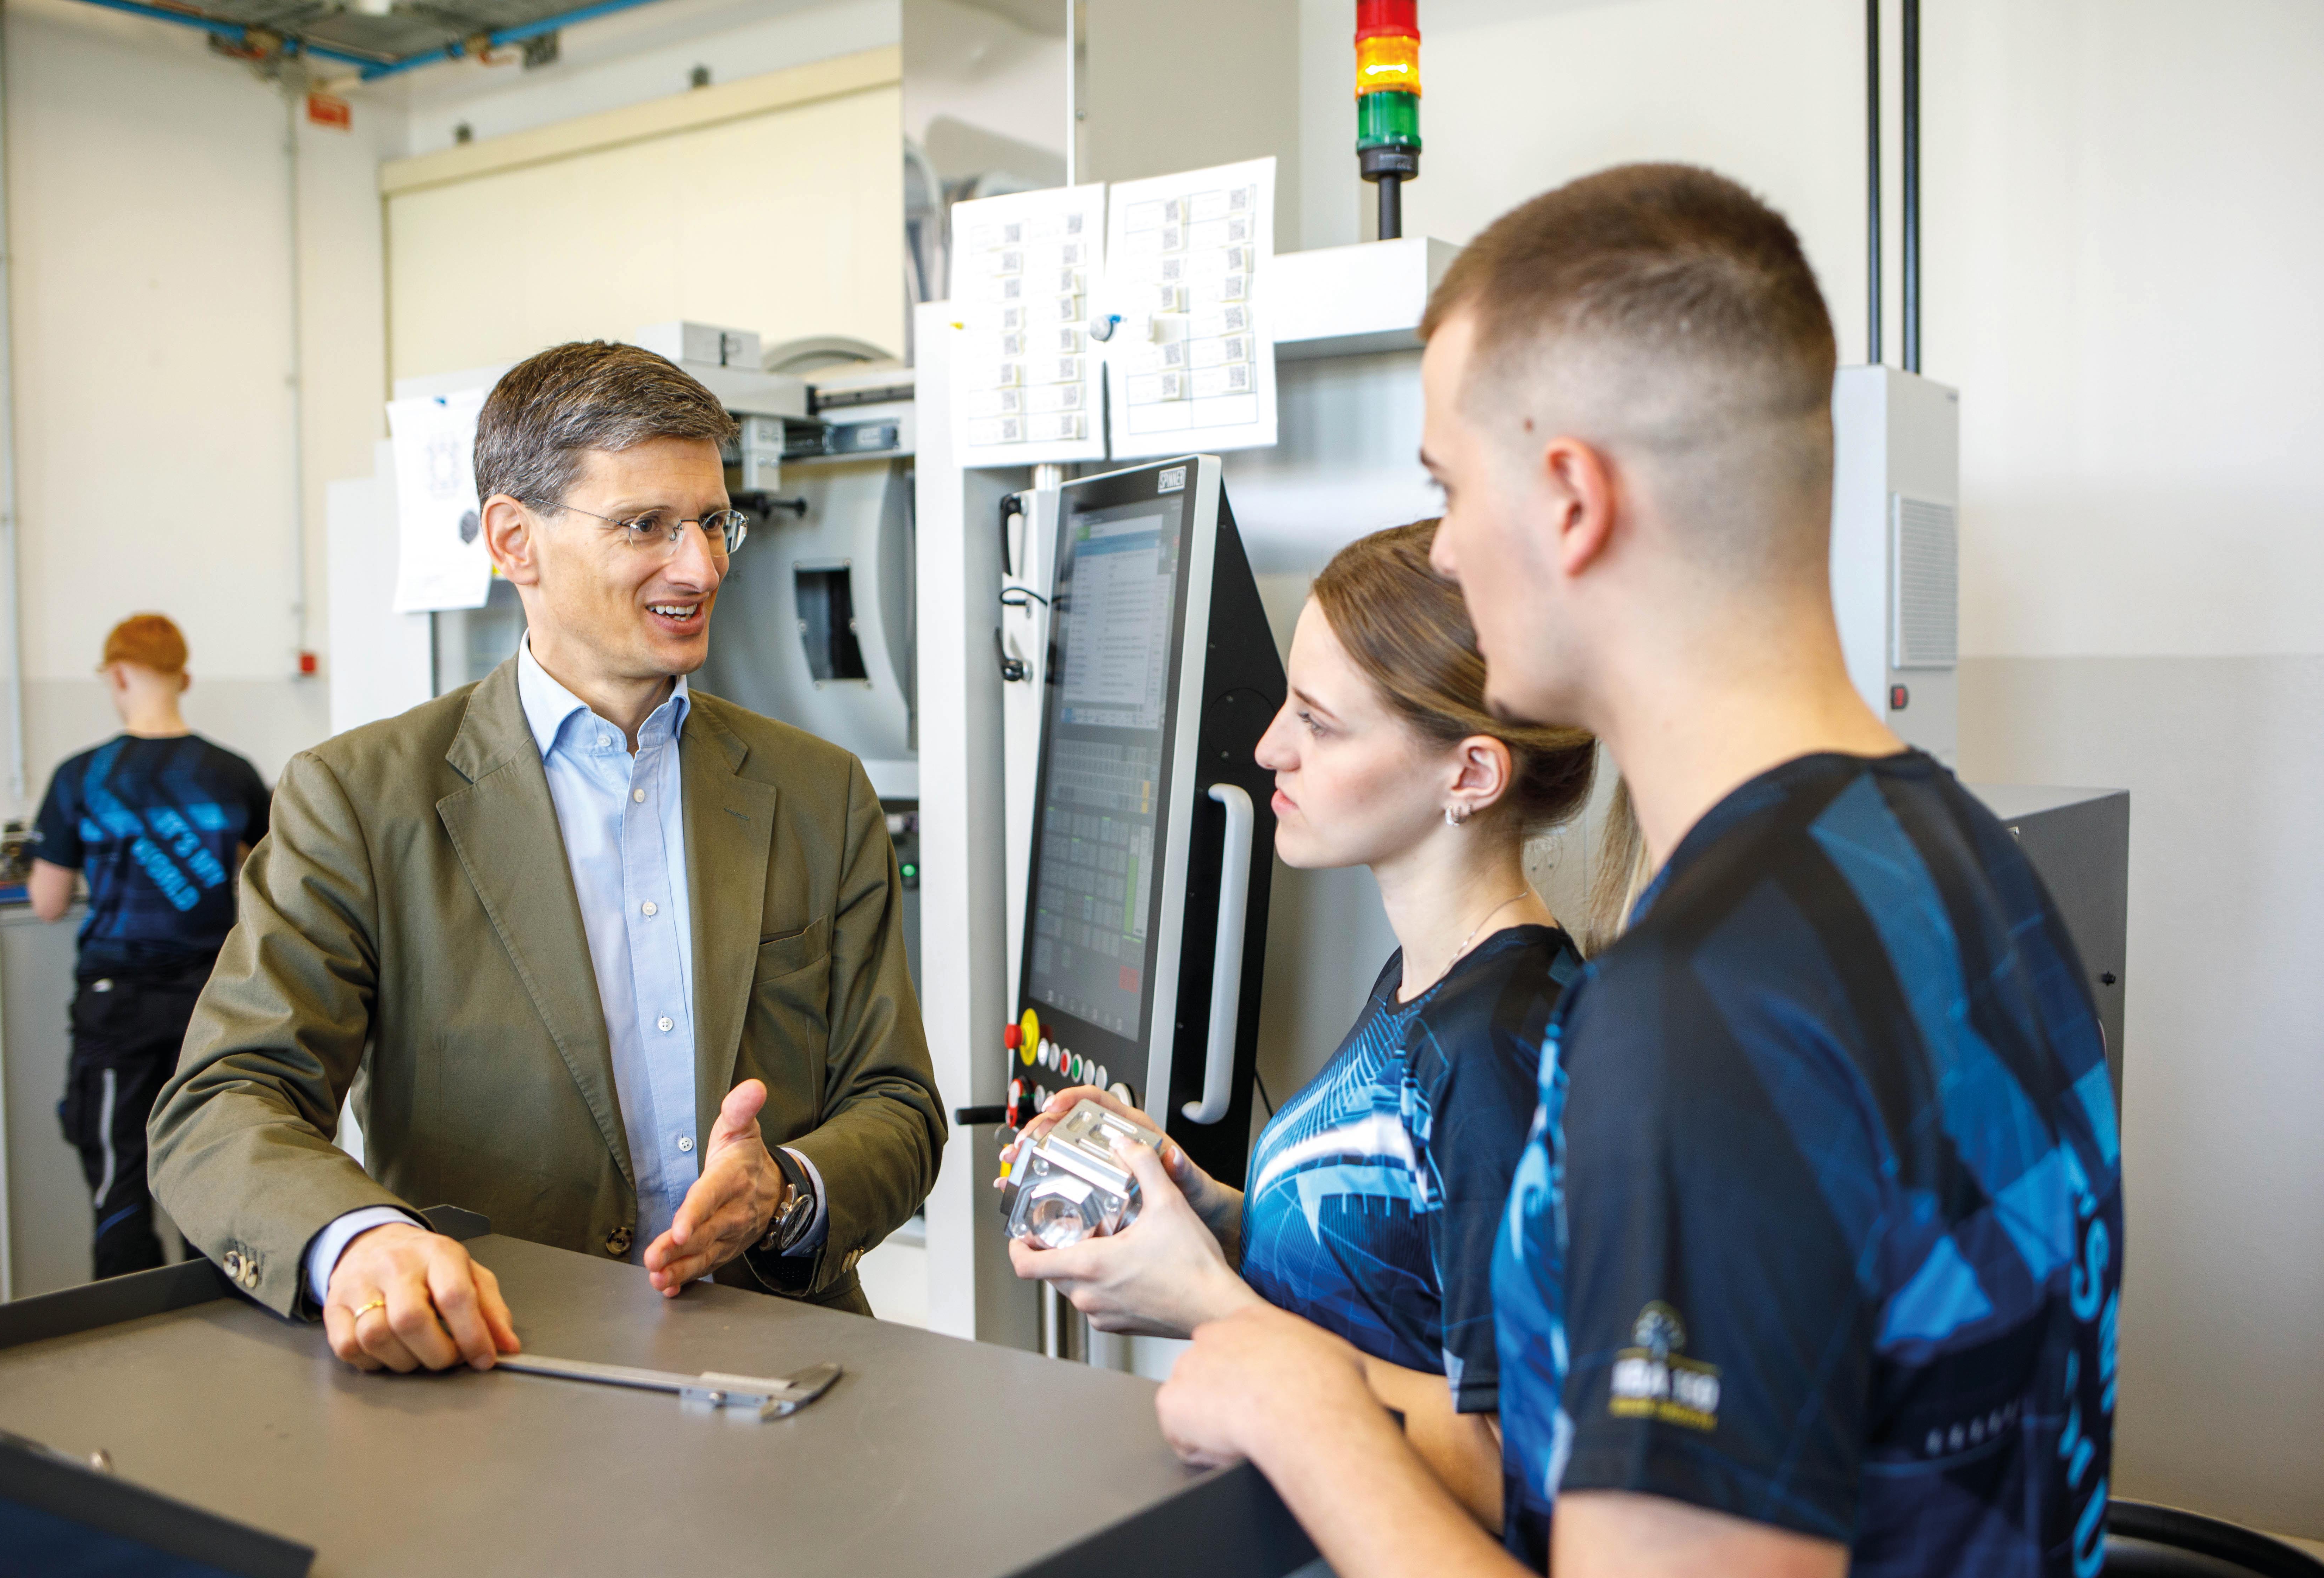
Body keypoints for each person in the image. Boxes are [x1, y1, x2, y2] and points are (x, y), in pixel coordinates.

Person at [1153, 164, 2124, 1578]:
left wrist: (1308, 1413)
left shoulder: (1703, 1015)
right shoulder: (1968, 866)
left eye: (1448, 488)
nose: (1444, 548)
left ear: (1571, 500)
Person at [149, 341, 942, 1374]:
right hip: (500, 1367)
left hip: (782, 1368)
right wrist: (361, 1241)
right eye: (645, 525)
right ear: (513, 540)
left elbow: (899, 1105)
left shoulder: (818, 792)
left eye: (712, 522)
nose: (700, 567)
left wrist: (786, 1191)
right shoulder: (359, 799)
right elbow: (223, 1099)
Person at [1006, 520, 1603, 1530]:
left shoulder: (1499, 1054)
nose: (1270, 747)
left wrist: (1208, 1301)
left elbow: (1518, 1464)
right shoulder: (1427, 981)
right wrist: (1211, 1214)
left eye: (1319, 723)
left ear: (1470, 774)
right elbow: (1394, 1275)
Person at [26, 614, 269, 1279]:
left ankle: (130, 1332)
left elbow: (47, 902)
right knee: (211, 1175)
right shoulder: (231, 774)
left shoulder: (81, 776)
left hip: (117, 1007)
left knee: (120, 1189)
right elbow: (268, 881)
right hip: (212, 1006)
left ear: (118, 675)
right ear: (183, 678)